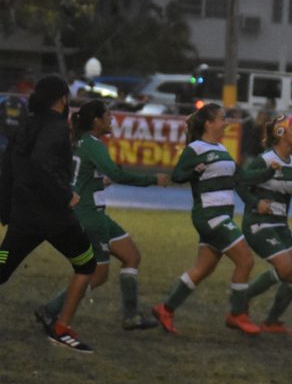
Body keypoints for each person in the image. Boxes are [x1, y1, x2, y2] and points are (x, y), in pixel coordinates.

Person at [35, 100, 170, 332]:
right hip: (89, 216)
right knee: (97, 275)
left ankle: (131, 316)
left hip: (92, 213)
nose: (112, 119)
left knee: (131, 256)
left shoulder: (78, 143)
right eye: (108, 115)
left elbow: (79, 175)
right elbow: (117, 173)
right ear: (96, 120)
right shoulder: (93, 145)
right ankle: (53, 310)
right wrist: (152, 180)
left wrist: (98, 180)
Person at [0, 75, 97, 353]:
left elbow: (7, 168)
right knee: (87, 264)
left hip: (23, 217)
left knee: (2, 270)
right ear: (63, 98)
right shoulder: (56, 127)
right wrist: (66, 195)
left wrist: (5, 209)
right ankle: (61, 327)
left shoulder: (24, 126)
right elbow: (43, 164)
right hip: (53, 218)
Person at [152, 103, 266, 335]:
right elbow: (178, 175)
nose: (227, 123)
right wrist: (195, 171)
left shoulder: (222, 149)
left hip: (219, 215)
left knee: (203, 268)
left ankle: (166, 308)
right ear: (209, 123)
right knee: (245, 260)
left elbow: (242, 177)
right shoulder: (195, 148)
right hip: (210, 214)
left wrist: (271, 170)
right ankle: (237, 314)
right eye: (223, 119)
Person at [235, 113, 292, 335]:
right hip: (258, 223)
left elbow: (286, 199)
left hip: (279, 224)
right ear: (280, 133)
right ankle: (243, 296)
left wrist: (284, 223)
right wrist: (256, 203)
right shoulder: (264, 160)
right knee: (285, 269)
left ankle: (272, 321)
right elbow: (240, 183)